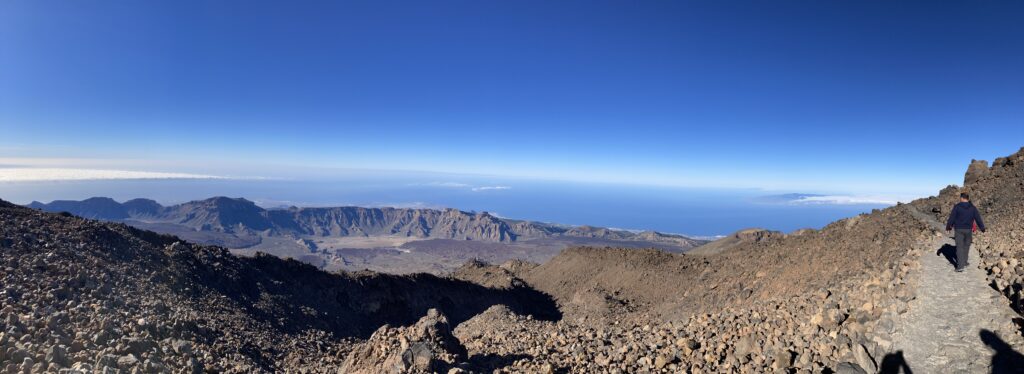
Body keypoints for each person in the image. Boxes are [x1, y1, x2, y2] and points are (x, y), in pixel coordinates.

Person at [946, 192, 986, 272]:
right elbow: (978, 218)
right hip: (968, 230)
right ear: (968, 199)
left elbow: (952, 218)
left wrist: (948, 227)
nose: (959, 199)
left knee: (960, 247)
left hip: (959, 230)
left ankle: (960, 265)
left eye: (960, 198)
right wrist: (982, 228)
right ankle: (964, 262)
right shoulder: (973, 208)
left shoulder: (957, 207)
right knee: (966, 246)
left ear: (962, 198)